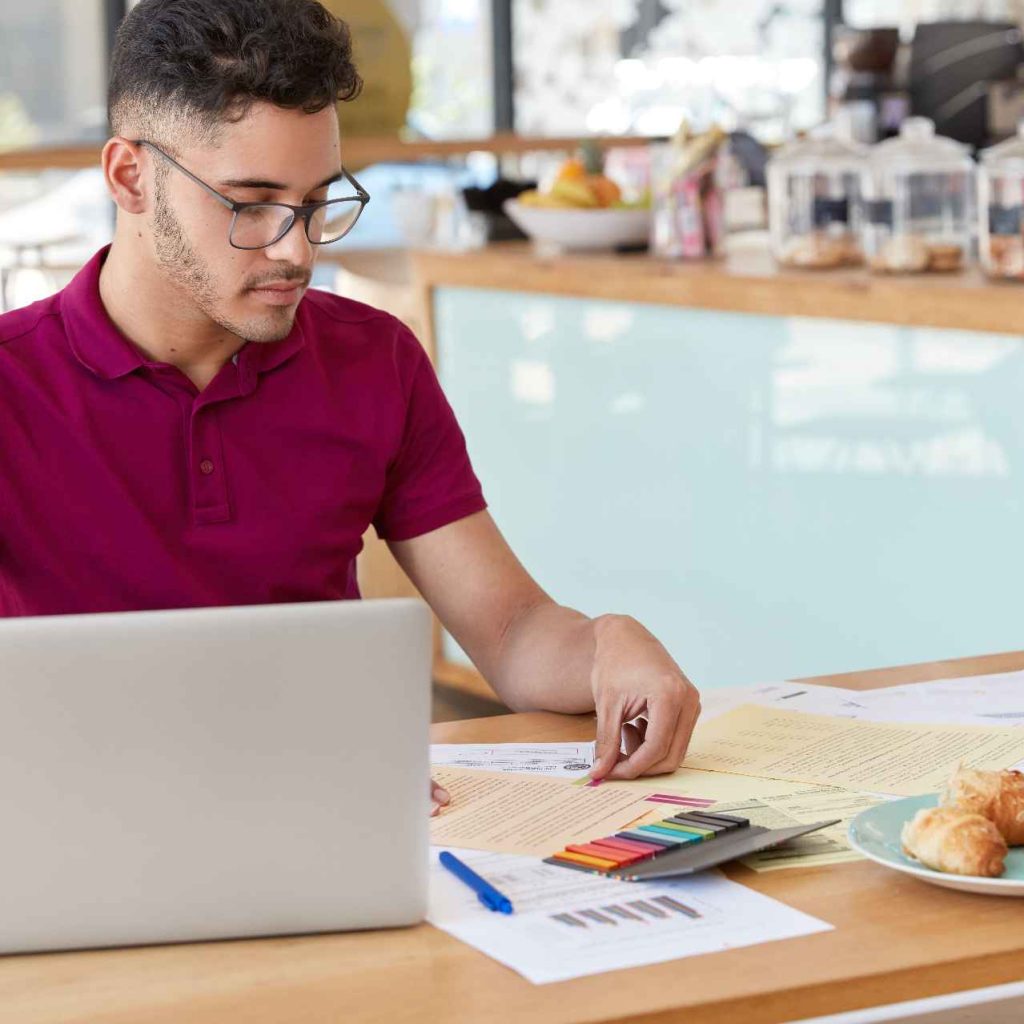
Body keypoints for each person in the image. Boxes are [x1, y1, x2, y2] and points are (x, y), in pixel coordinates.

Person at [0, 0, 700, 810]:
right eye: (250, 203)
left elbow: (509, 632)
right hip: (74, 830)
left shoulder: (376, 360)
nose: (296, 250)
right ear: (130, 177)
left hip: (334, 829)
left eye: (315, 202)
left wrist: (607, 643)